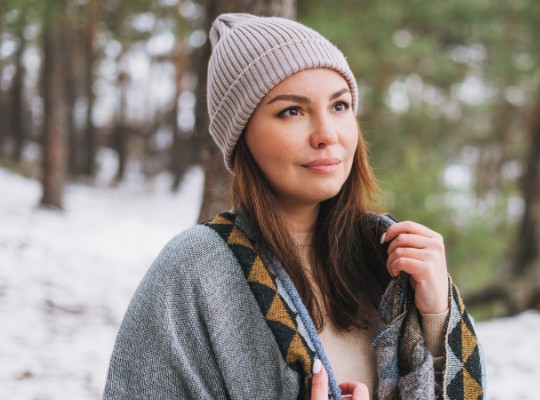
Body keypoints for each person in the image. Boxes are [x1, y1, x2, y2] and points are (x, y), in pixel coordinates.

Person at [103, 13, 484, 400]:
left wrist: (436, 317)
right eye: (292, 111)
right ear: (243, 137)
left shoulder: (388, 257)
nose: (326, 135)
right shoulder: (194, 270)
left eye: (339, 106)